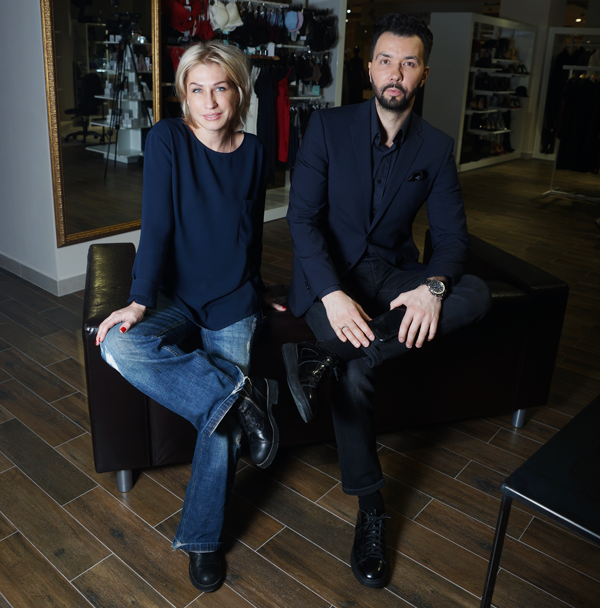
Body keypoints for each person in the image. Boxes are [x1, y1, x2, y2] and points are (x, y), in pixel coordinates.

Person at [282, 13, 491, 589]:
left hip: (395, 275)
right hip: (331, 277)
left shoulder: (436, 147)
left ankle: (327, 356)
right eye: (385, 60)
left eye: (408, 62)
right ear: (370, 68)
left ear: (423, 73)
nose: (395, 72)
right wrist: (332, 295)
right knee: (355, 378)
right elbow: (302, 220)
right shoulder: (327, 127)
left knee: (476, 293)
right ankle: (372, 511)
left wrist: (432, 289)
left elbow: (452, 240)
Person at [95, 41, 286, 594]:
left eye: (220, 88)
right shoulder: (168, 140)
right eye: (197, 90)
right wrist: (138, 300)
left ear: (239, 92)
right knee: (118, 345)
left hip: (233, 301)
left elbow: (250, 230)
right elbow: (155, 225)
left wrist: (258, 288)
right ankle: (244, 396)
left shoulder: (254, 152)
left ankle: (202, 539)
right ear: (184, 96)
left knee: (217, 422)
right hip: (173, 298)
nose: (210, 101)